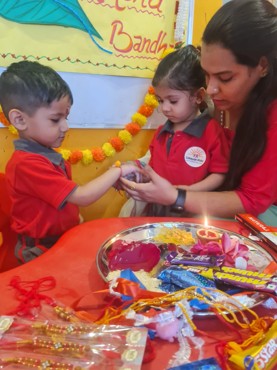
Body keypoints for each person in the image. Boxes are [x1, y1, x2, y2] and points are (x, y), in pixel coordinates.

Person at [121, 0, 277, 226]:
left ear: (262, 66)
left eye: (225, 78)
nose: (211, 90)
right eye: (206, 74)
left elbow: (253, 200)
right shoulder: (212, 109)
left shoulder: (270, 117)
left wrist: (176, 196)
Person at [0, 60, 137, 263]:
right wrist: (118, 171)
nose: (65, 127)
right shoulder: (27, 164)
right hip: (39, 250)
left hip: (61, 238)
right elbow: (82, 196)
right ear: (20, 120)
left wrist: (74, 220)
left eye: (66, 117)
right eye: (55, 120)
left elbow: (65, 200)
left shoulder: (47, 155)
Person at [120, 45, 229, 217]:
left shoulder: (211, 131)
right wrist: (136, 175)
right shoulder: (162, 132)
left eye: (173, 101)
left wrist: (188, 192)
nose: (165, 108)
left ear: (198, 97)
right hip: (158, 208)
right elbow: (152, 168)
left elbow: (220, 174)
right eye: (160, 100)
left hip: (193, 210)